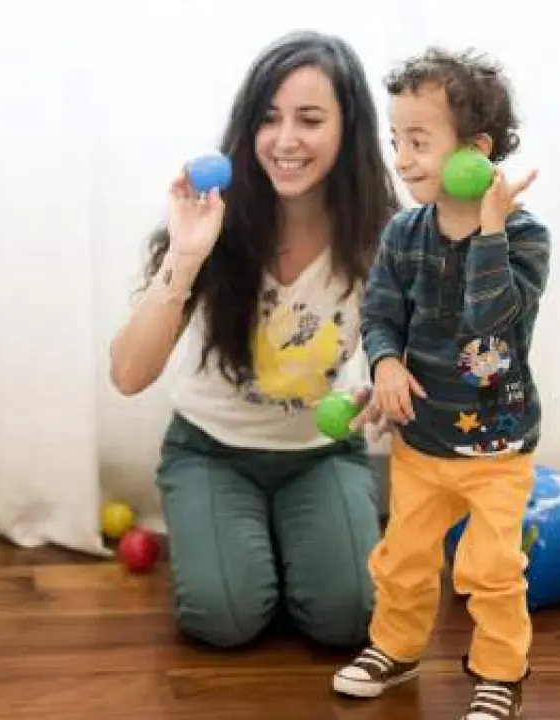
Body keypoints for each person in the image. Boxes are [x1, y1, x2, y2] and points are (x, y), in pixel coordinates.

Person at [108, 30, 399, 650]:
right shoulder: (212, 221)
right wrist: (185, 257)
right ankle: (243, 543)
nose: (285, 140)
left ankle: (283, 543)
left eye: (310, 120)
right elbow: (128, 375)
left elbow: (413, 352)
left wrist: (385, 384)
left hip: (323, 453)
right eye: (269, 119)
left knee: (350, 618)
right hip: (211, 450)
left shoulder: (384, 236)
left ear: (348, 129)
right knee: (223, 620)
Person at [330, 47, 550, 720]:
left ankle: (501, 672)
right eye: (396, 140)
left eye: (419, 142)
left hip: (497, 449)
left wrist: (489, 229)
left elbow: (492, 321)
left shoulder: (526, 238)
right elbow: (380, 314)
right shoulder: (403, 234)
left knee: (491, 568)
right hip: (422, 442)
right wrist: (385, 363)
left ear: (475, 151)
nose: (401, 159)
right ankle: (395, 650)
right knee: (403, 557)